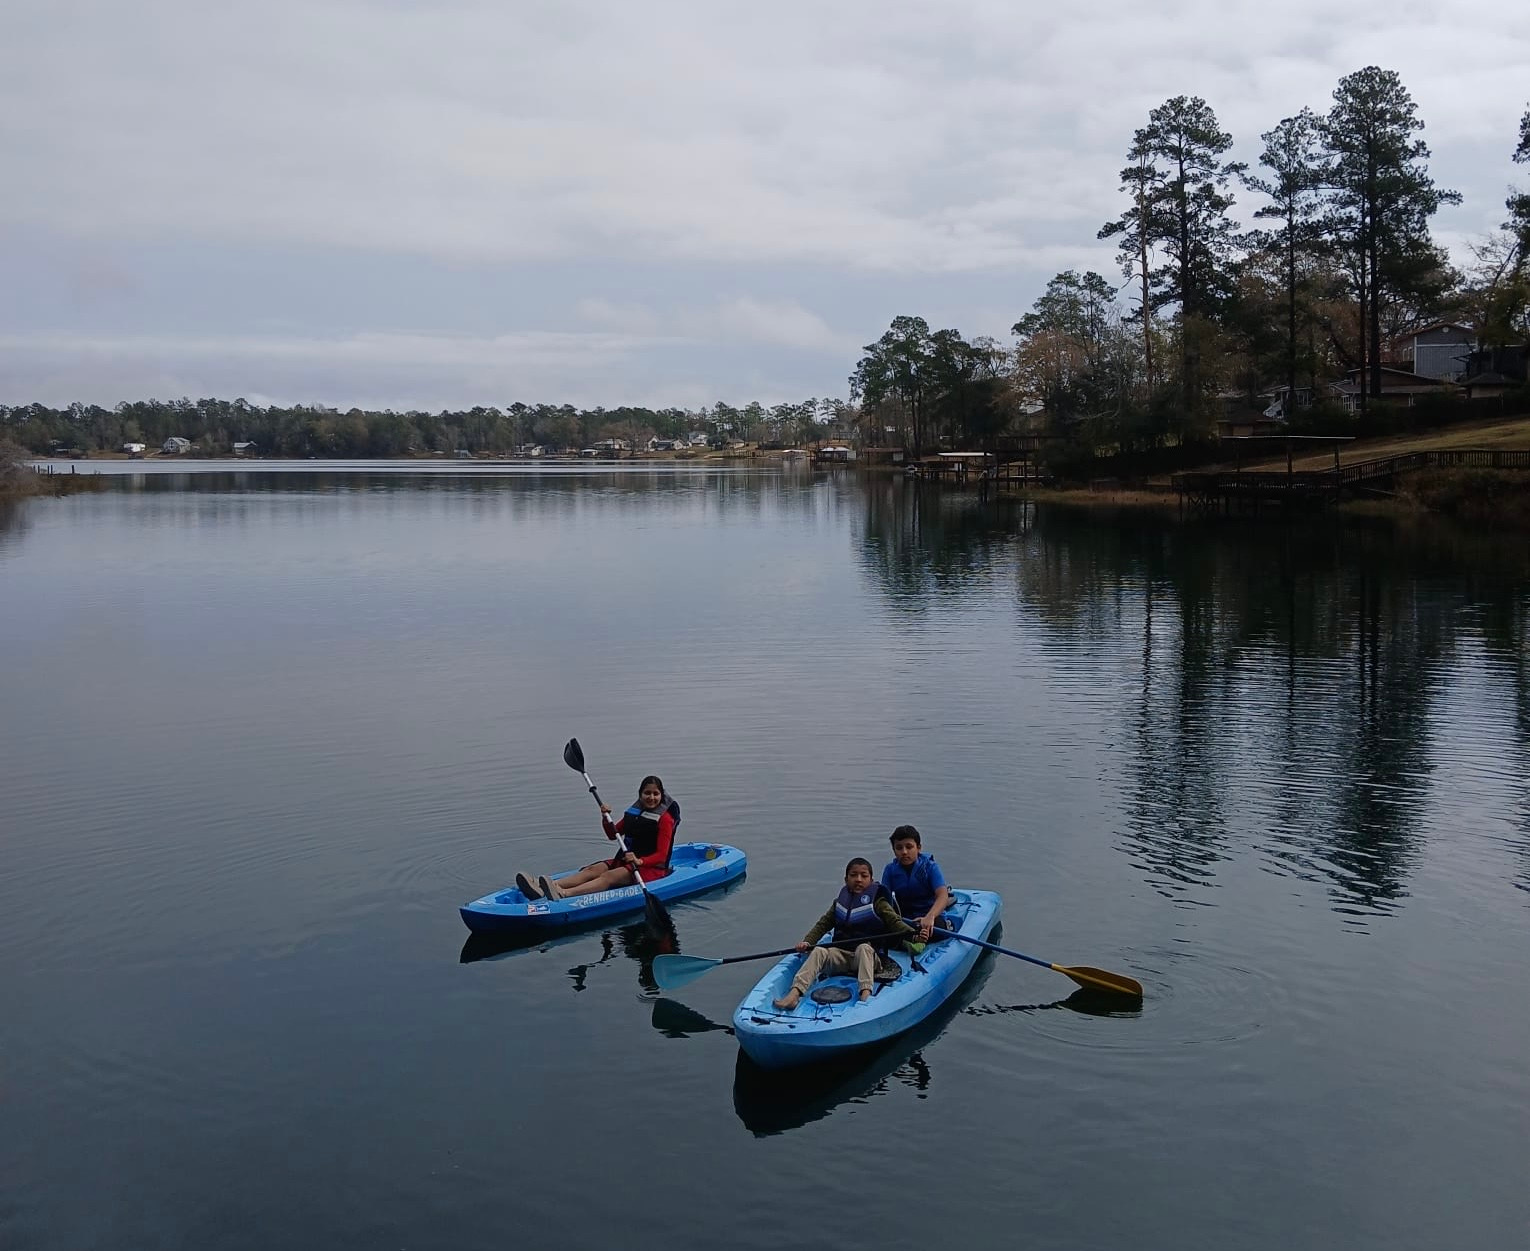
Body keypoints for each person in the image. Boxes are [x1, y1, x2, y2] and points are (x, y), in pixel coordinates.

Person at [772, 858, 914, 1010]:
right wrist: (807, 942)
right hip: (842, 956)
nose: (858, 880)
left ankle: (865, 995)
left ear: (871, 880)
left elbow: (895, 923)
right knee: (819, 950)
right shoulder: (839, 902)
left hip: (869, 959)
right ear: (846, 879)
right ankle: (794, 994)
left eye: (864, 876)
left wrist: (913, 935)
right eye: (853, 875)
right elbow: (823, 925)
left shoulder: (879, 903)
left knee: (863, 948)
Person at [516, 775, 678, 900]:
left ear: (661, 795)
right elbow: (612, 834)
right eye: (647, 793)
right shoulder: (635, 813)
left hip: (651, 869)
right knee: (592, 869)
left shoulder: (665, 820)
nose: (651, 797)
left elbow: (661, 856)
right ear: (640, 794)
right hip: (627, 861)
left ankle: (564, 893)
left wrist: (640, 861)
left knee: (608, 876)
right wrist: (605, 817)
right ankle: (544, 886)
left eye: (656, 794)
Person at [880, 824, 952, 948]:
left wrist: (929, 917)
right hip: (904, 919)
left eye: (909, 847)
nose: (904, 852)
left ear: (918, 848)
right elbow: (883, 900)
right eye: (899, 848)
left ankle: (910, 940)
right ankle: (911, 939)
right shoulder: (890, 870)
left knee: (933, 929)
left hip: (930, 916)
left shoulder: (930, 867)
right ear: (894, 850)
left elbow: (943, 896)